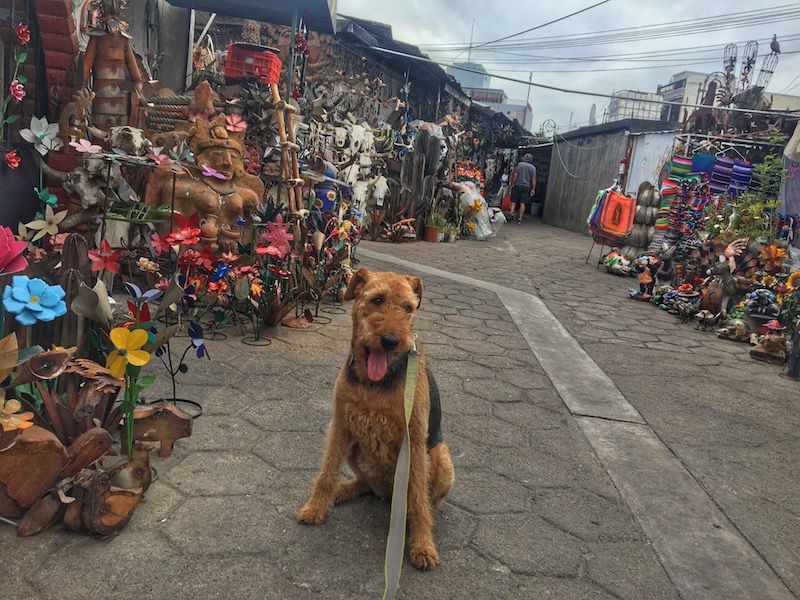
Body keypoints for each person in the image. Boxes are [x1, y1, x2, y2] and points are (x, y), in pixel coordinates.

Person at [509, 154, 536, 223]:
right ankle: (520, 218)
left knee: (514, 200)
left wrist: (513, 184)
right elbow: (533, 179)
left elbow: (515, 174)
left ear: (525, 158)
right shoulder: (533, 168)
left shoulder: (520, 164)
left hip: (518, 185)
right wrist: (533, 189)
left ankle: (511, 213)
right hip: (526, 187)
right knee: (522, 202)